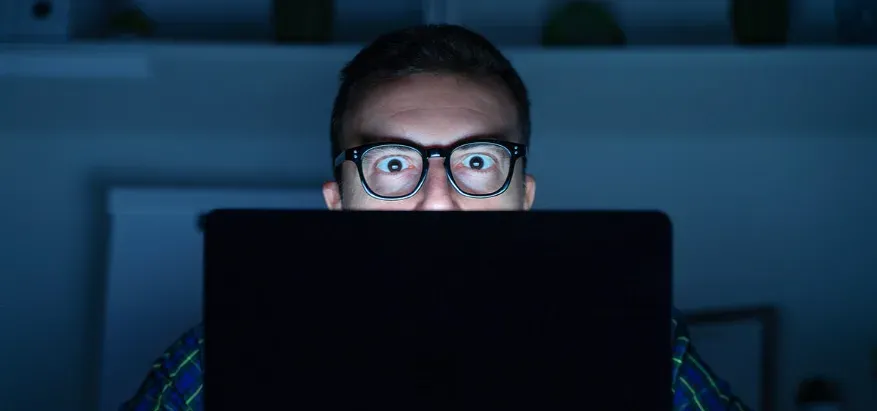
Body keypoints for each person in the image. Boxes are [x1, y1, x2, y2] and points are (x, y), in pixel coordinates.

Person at [122, 24, 750, 411]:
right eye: (393, 163)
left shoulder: (634, 338)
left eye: (476, 159)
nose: (439, 199)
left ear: (523, 198)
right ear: (338, 202)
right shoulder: (238, 341)